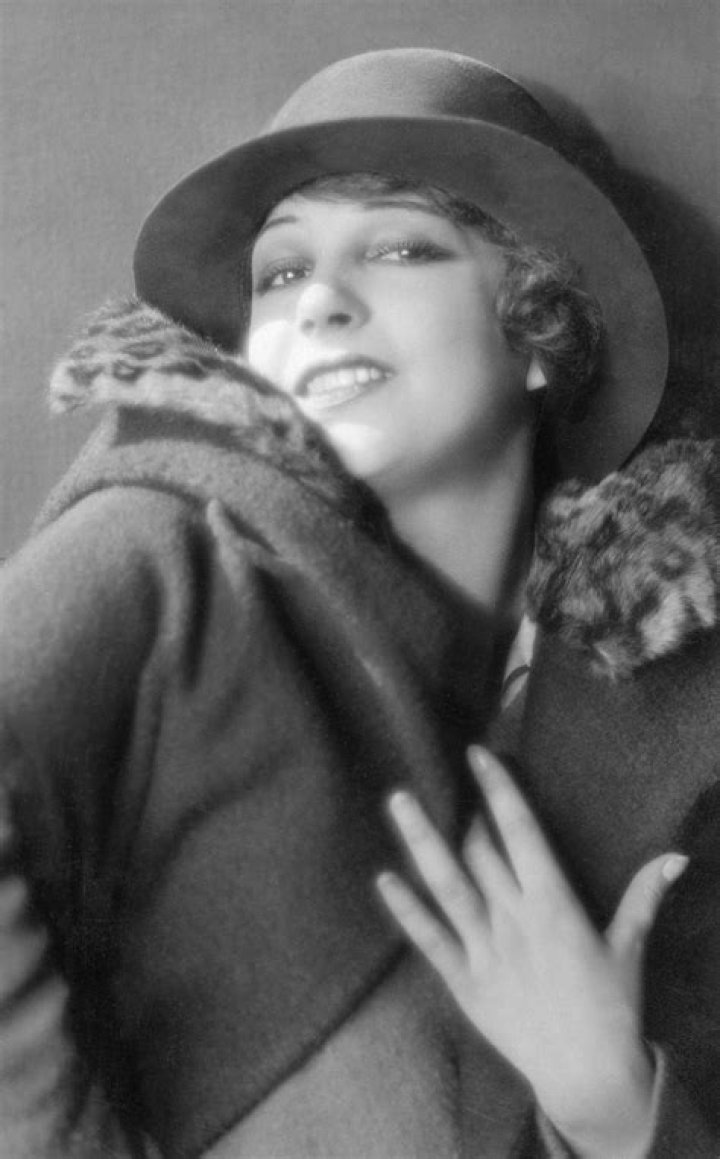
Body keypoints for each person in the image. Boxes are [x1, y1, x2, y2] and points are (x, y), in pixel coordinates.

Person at [0, 47, 717, 1158]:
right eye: (282, 272)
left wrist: (616, 1109)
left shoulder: (679, 701)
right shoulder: (172, 546)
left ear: (543, 329)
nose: (321, 301)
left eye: (399, 249)